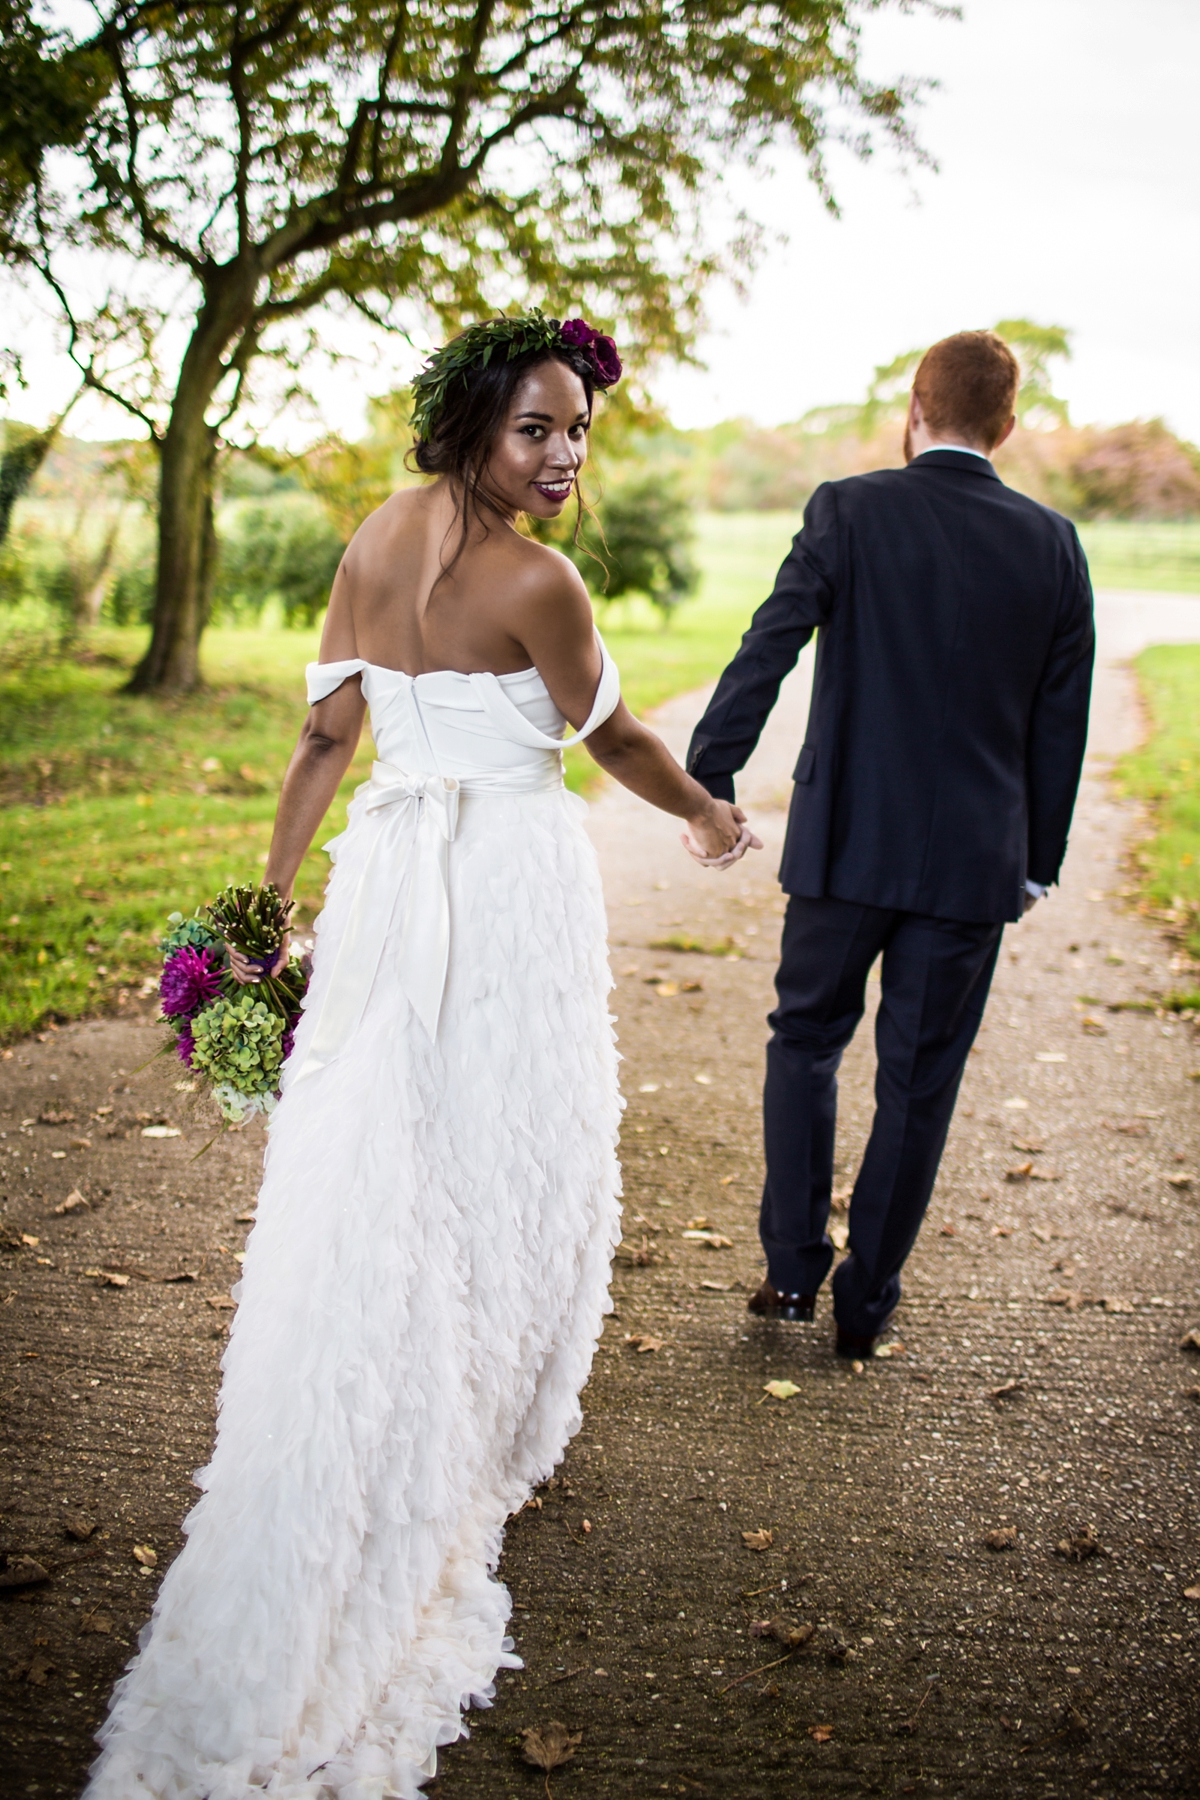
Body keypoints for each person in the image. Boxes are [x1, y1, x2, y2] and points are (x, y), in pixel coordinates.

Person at [84, 312, 756, 1800]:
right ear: (471, 425)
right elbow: (616, 740)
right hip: (504, 882)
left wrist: (271, 902)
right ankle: (468, 1430)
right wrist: (707, 810)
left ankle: (432, 1393)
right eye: (537, 429)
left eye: (578, 430)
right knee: (509, 1137)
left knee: (402, 1135)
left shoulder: (374, 539)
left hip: (391, 881)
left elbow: (330, 739)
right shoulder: (543, 580)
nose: (565, 455)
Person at [686, 329, 1094, 1357]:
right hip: (971, 865)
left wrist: (710, 780)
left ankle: (789, 1274)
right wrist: (1037, 858)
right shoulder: (1054, 544)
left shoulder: (849, 508)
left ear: (914, 411)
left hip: (845, 844)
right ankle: (867, 1304)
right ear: (1006, 425)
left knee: (806, 1043)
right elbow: (1061, 721)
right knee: (920, 1080)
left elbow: (768, 643)